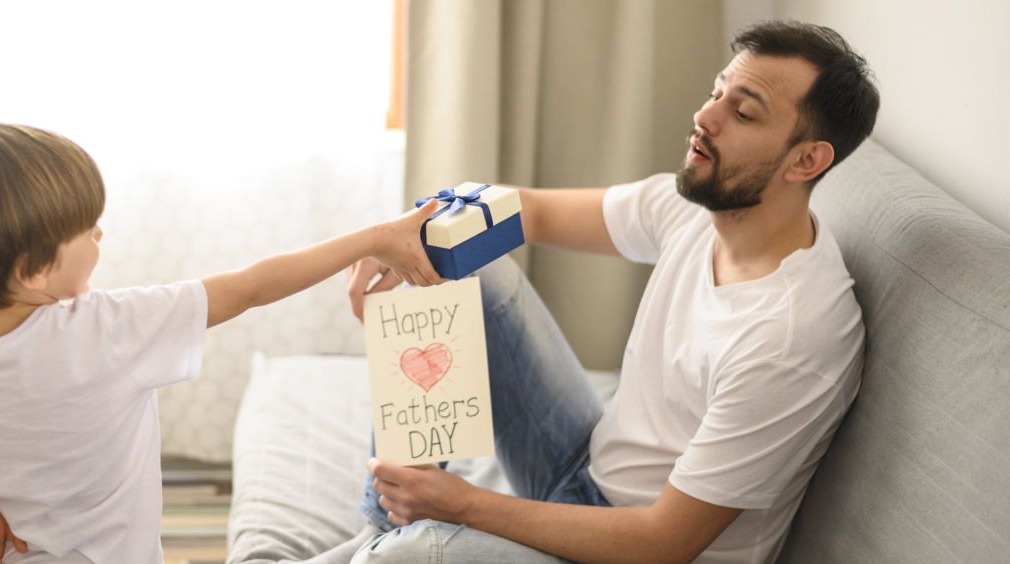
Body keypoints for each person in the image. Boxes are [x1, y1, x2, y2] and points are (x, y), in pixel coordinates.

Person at [344, 20, 880, 563]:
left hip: (636, 548)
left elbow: (662, 543)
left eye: (742, 113)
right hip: (584, 470)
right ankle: (378, 529)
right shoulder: (695, 212)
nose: (705, 117)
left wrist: (464, 505)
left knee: (412, 556)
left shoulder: (790, 338)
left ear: (806, 160)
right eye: (716, 93)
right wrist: (406, 236)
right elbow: (531, 211)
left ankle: (388, 549)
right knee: (461, 260)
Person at [0, 123, 443, 564]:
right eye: (84, 228)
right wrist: (375, 238)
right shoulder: (106, 330)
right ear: (31, 270)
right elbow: (253, 286)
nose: (100, 232)